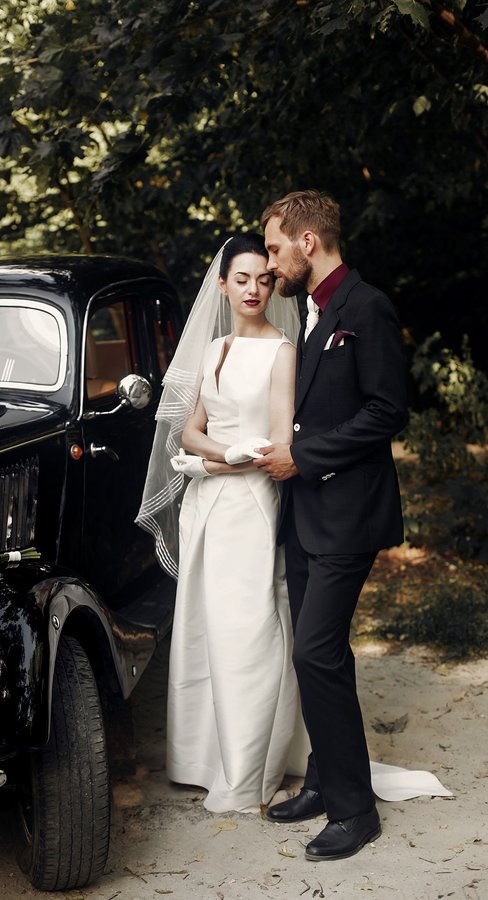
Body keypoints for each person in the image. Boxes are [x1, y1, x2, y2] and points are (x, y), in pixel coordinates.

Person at [256, 189, 407, 859]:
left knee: (315, 652)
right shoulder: (308, 312)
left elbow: (385, 413)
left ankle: (355, 811)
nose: (268, 263)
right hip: (305, 514)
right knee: (323, 657)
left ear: (306, 242)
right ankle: (323, 778)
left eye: (273, 247)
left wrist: (302, 454)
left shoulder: (366, 307)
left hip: (348, 515)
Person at [136, 233, 308, 812]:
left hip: (251, 502)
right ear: (223, 285)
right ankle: (201, 758)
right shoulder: (213, 351)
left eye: (264, 278)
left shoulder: (282, 351)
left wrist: (231, 460)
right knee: (205, 624)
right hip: (207, 500)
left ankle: (251, 766)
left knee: (249, 630)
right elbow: (186, 431)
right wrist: (215, 456)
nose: (254, 289)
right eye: (242, 279)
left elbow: (282, 442)